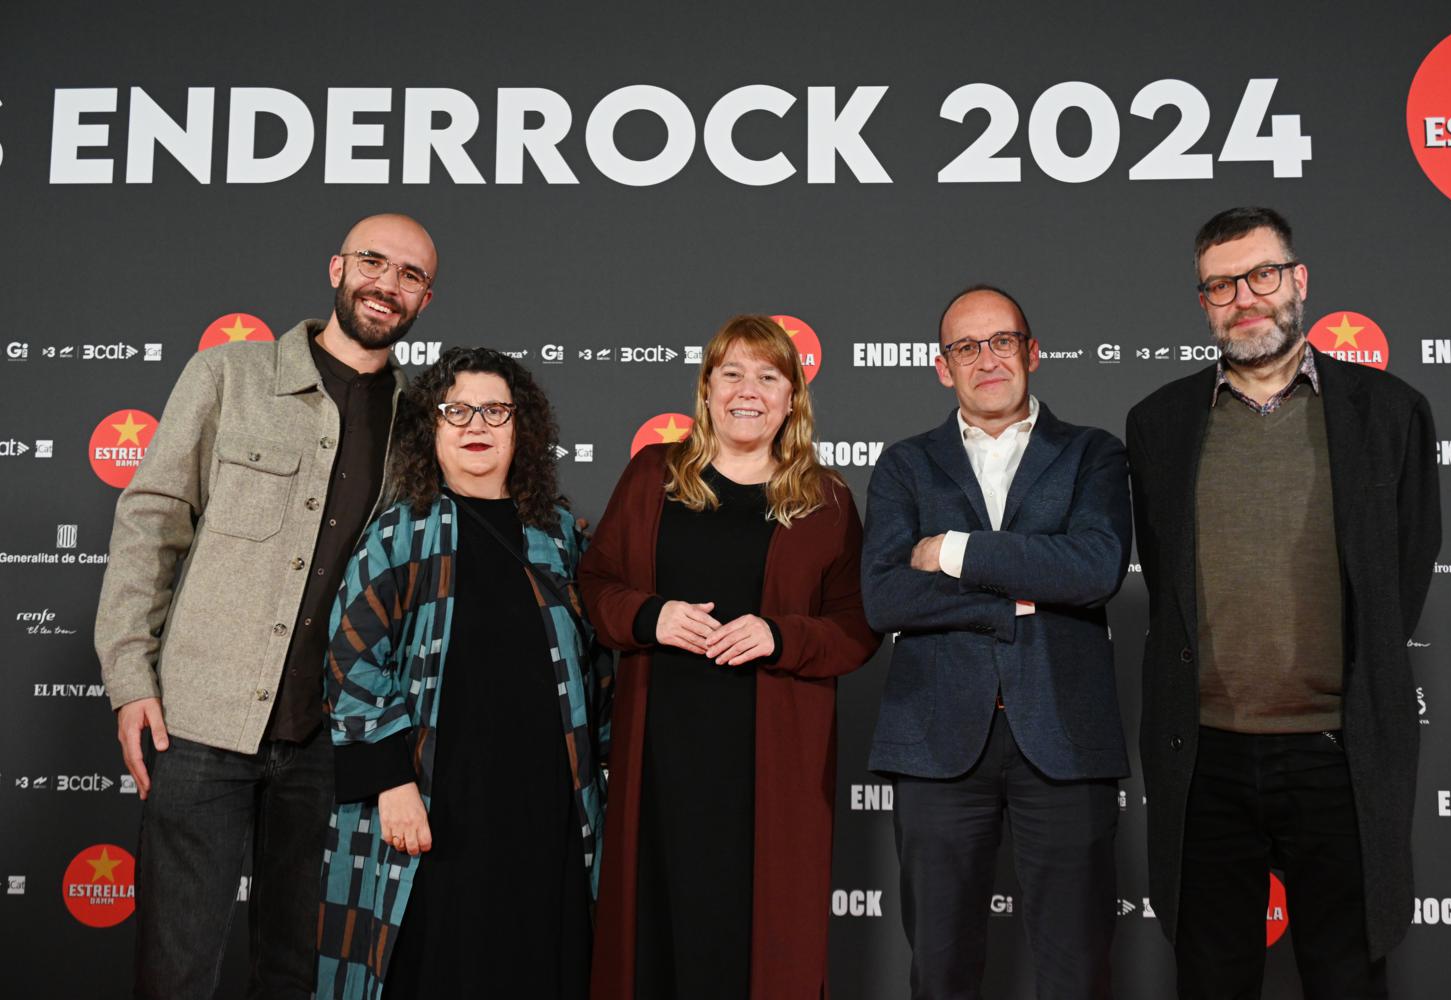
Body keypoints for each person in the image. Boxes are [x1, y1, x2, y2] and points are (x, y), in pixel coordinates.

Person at [95, 213, 437, 998]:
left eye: (410, 275)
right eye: (372, 262)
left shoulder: (421, 421)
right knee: (175, 973)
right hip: (200, 724)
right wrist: (130, 677)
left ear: (426, 298)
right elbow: (151, 522)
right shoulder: (229, 374)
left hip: (331, 743)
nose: (387, 284)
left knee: (297, 976)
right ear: (336, 269)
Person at [1126, 206, 1441, 999]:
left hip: (1340, 753)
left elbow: (1404, 569)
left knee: (1346, 978)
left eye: (1261, 275)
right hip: (1204, 758)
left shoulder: (1390, 412)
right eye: (1221, 285)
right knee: (1211, 980)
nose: (1244, 298)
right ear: (1203, 302)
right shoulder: (1159, 422)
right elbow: (1165, 578)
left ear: (1298, 281)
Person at [579, 314, 881, 1000]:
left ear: (792, 398)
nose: (749, 390)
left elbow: (858, 627)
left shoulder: (826, 499)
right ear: (708, 388)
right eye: (733, 373)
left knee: (757, 946)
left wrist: (781, 636)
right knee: (654, 937)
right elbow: (595, 585)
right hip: (660, 758)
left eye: (769, 376)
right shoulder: (652, 475)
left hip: (772, 767)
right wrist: (652, 616)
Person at [862, 285, 1132, 1000]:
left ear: (1032, 352)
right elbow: (885, 597)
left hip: (1065, 737)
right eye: (966, 347)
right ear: (942, 367)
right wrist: (1018, 598)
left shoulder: (1093, 454)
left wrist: (951, 550)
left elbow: (1095, 568)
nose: (986, 359)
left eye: (1002, 341)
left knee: (1076, 971)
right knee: (940, 969)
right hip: (937, 742)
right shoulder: (905, 465)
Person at [315, 347, 607, 999]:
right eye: (458, 410)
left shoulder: (558, 535)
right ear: (432, 427)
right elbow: (350, 657)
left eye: (496, 410)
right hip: (433, 804)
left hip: (544, 808)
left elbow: (597, 661)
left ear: (521, 427)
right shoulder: (399, 533)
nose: (477, 424)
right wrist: (390, 781)